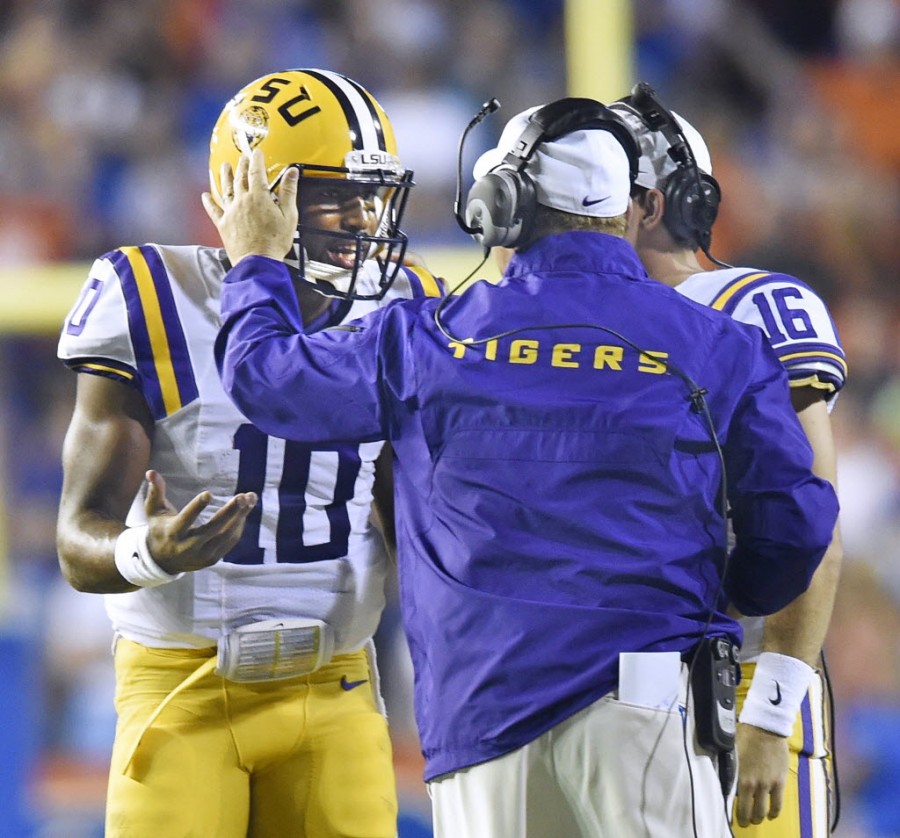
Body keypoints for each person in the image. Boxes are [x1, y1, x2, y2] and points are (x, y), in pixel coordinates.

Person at [207, 97, 839, 838]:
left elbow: (264, 379)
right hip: (650, 698)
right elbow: (796, 527)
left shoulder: (428, 337)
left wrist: (254, 263)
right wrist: (732, 597)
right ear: (629, 210)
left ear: (499, 206)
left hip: (479, 713)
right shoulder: (719, 343)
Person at [55, 68, 443, 838]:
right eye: (332, 193)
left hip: (335, 686)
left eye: (372, 194)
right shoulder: (149, 293)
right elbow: (77, 538)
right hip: (183, 685)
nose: (362, 219)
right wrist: (148, 552)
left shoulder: (403, 304)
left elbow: (416, 524)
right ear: (250, 192)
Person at [609, 84, 846, 837]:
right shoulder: (558, 324)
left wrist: (772, 713)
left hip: (737, 673)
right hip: (602, 680)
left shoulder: (744, 303)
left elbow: (813, 522)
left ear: (651, 203)